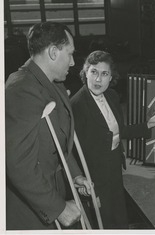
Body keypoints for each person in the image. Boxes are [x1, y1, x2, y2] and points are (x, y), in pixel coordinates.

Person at [6, 22, 92, 230]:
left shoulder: (54, 84)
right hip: (30, 208)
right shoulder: (21, 89)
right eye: (70, 54)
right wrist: (58, 209)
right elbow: (16, 163)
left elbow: (57, 141)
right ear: (54, 52)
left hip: (52, 190)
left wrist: (75, 175)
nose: (73, 62)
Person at [70, 50, 155, 229]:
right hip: (94, 175)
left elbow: (117, 131)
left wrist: (147, 125)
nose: (98, 79)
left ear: (111, 76)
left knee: (119, 217)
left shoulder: (112, 96)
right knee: (102, 221)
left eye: (104, 74)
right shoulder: (77, 105)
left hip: (113, 166)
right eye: (94, 72)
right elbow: (75, 151)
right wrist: (86, 185)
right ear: (85, 72)